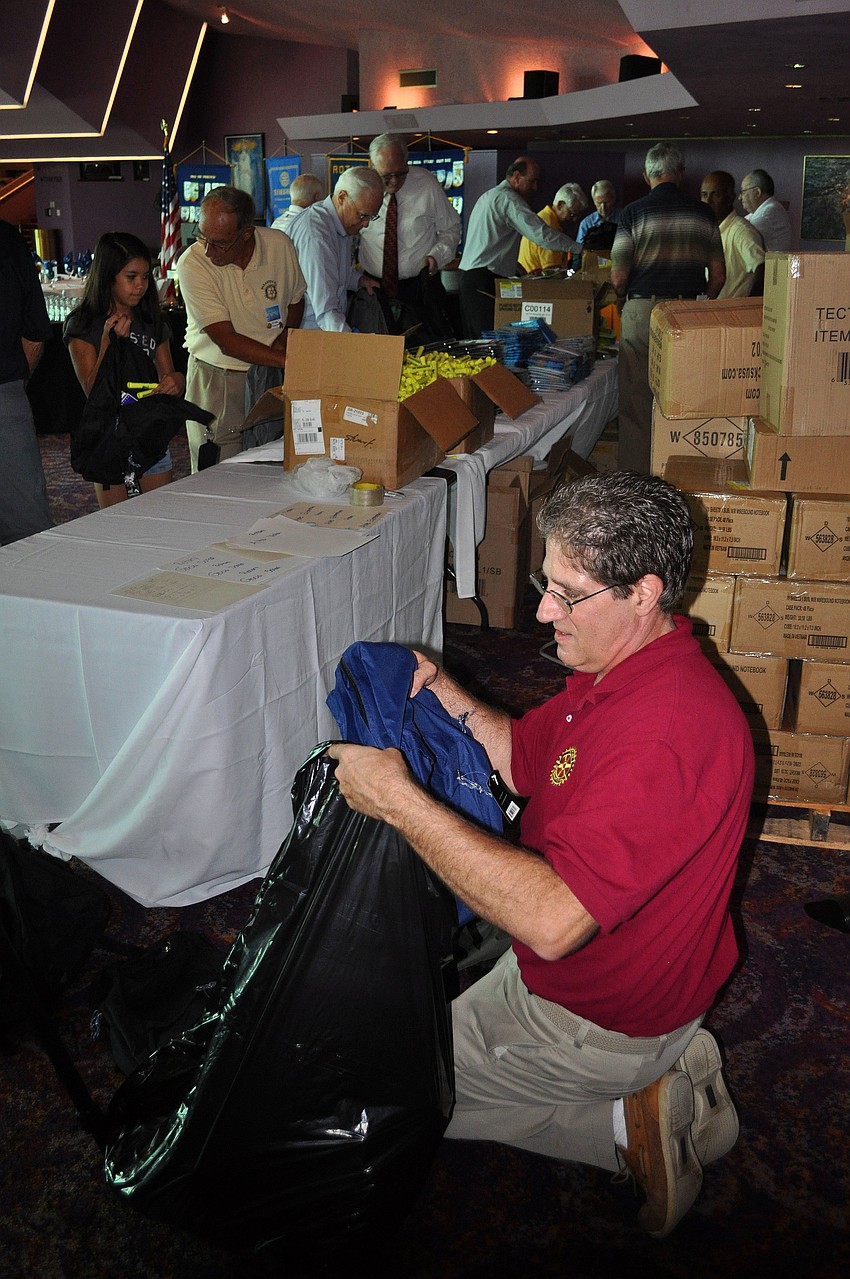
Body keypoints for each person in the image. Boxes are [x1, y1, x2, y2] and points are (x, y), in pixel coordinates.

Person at [328, 470, 754, 1239]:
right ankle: (661, 1076)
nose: (541, 611)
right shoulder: (630, 667)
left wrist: (397, 798)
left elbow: (556, 921)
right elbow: (529, 757)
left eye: (568, 593)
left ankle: (627, 1118)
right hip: (610, 983)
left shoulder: (662, 733)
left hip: (592, 1016)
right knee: (393, 1052)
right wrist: (443, 691)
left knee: (366, 1093)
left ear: (645, 591)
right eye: (544, 581)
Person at [610, 142, 725, 474]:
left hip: (642, 311)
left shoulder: (631, 213)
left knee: (635, 398)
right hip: (686, 312)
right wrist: (702, 304)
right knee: (685, 395)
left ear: (647, 176)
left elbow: (619, 275)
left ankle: (636, 476)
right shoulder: (703, 214)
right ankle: (678, 470)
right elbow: (718, 275)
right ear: (681, 174)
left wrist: (621, 298)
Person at [176, 185, 306, 471]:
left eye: (220, 242)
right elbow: (227, 340)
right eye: (202, 237)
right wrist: (291, 361)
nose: (208, 250)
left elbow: (296, 300)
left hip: (271, 371)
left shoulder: (279, 245)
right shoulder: (192, 263)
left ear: (247, 233)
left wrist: (285, 337)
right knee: (220, 467)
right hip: (219, 377)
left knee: (271, 458)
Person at [64, 232, 184, 507]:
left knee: (158, 517)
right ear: (108, 276)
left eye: (145, 276)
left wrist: (177, 382)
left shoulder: (151, 319)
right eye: (131, 277)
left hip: (149, 435)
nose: (140, 285)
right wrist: (108, 343)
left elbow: (170, 378)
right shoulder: (84, 324)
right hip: (109, 438)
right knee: (117, 525)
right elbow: (94, 394)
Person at [457, 157, 582, 338]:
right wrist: (579, 249)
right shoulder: (509, 199)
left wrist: (516, 267)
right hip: (482, 280)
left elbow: (493, 243)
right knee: (488, 345)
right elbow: (540, 234)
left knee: (478, 344)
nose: (535, 188)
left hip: (472, 279)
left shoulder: (491, 195)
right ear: (516, 177)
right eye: (532, 181)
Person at [358, 133, 461, 330]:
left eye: (400, 173)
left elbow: (451, 227)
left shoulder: (425, 183)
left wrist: (437, 256)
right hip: (373, 287)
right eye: (386, 175)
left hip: (418, 289)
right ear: (373, 167)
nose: (394, 181)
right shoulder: (361, 186)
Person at [0, 220, 54, 544]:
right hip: (5, 394)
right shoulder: (7, 239)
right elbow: (34, 333)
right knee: (26, 535)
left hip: (5, 391)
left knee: (26, 531)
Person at [288, 166, 385, 332]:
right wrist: (352, 348)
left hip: (326, 329)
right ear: (342, 198)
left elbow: (334, 274)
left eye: (372, 216)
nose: (366, 223)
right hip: (310, 333)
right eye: (363, 215)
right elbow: (326, 312)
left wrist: (358, 281)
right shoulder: (316, 235)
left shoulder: (339, 224)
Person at [700, 170, 765, 298]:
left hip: (731, 314)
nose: (708, 201)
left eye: (715, 195)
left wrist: (748, 306)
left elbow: (763, 268)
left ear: (730, 198)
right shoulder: (710, 230)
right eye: (704, 195)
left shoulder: (741, 230)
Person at [517, 183, 588, 274]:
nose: (574, 220)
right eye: (572, 214)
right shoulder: (550, 227)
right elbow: (553, 271)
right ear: (560, 205)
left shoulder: (542, 217)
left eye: (577, 216)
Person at [739, 169, 793, 253]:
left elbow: (737, 244)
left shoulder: (765, 215)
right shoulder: (765, 210)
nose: (740, 197)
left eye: (742, 192)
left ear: (757, 192)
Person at [577, 179, 620, 251]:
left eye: (606, 202)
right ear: (594, 201)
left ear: (613, 198)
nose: (603, 207)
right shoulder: (586, 224)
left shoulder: (624, 218)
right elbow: (579, 250)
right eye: (599, 203)